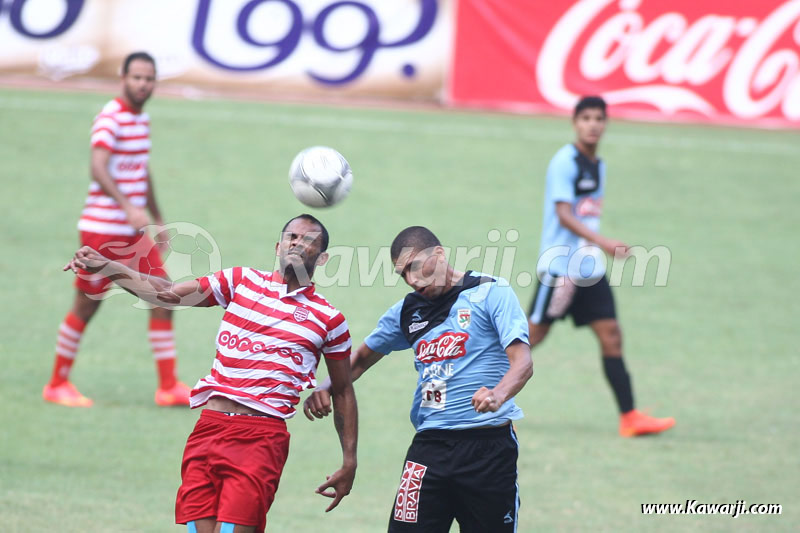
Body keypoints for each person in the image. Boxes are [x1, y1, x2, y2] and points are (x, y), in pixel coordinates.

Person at [63, 214, 358, 533]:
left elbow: (342, 390)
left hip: (260, 439)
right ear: (278, 246)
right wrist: (109, 266)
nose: (298, 243)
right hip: (209, 429)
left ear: (324, 257)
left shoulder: (328, 319)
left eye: (309, 240)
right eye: (291, 237)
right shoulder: (240, 282)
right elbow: (168, 294)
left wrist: (349, 460)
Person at [304, 226, 533, 532]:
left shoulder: (491, 292)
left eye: (414, 267)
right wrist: (326, 386)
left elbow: (523, 362)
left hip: (488, 448)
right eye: (403, 275)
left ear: (439, 254)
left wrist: (498, 393)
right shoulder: (407, 312)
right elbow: (358, 360)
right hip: (428, 449)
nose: (411, 280)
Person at [43, 51, 191, 407]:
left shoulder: (142, 120)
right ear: (123, 78)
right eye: (137, 77)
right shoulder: (111, 118)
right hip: (103, 231)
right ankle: (57, 383)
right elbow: (98, 167)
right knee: (86, 306)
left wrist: (156, 217)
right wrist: (128, 207)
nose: (143, 84)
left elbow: (140, 171)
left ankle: (168, 386)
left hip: (133, 233)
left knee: (165, 296)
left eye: (149, 78)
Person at [528, 95, 675, 437]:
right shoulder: (565, 161)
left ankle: (629, 417)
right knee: (532, 335)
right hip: (562, 269)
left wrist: (596, 247)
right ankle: (478, 397)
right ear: (575, 122)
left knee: (611, 336)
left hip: (589, 270)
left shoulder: (599, 164)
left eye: (599, 119)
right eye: (586, 118)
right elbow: (564, 213)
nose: (593, 124)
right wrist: (604, 242)